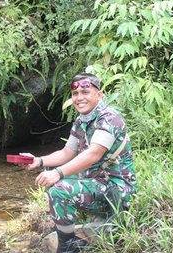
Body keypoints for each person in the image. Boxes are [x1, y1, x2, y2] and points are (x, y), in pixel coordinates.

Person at [20, 73, 137, 253]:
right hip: (99, 185)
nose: (79, 98)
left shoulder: (109, 118)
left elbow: (93, 155)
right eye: (75, 94)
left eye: (85, 92)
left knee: (59, 189)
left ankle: (68, 245)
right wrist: (39, 161)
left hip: (117, 192)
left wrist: (57, 173)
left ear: (99, 95)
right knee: (56, 185)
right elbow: (67, 152)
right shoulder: (81, 121)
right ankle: (66, 234)